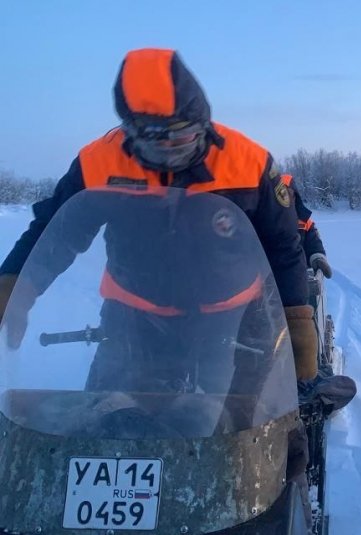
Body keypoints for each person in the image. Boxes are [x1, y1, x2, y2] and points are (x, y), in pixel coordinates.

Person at [0, 47, 317, 526]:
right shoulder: (97, 162)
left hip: (225, 317)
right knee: (102, 421)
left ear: (201, 122)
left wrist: (297, 320)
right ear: (128, 129)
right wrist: (16, 287)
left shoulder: (249, 164)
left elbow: (284, 247)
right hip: (133, 316)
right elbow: (56, 232)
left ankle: (214, 513)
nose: (169, 149)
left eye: (182, 137)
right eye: (152, 140)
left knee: (222, 429)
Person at [281, 174, 332, 278]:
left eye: (288, 194)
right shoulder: (266, 221)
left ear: (295, 196)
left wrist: (318, 258)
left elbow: (314, 244)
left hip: (303, 277)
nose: (285, 199)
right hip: (274, 281)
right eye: (281, 195)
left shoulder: (305, 222)